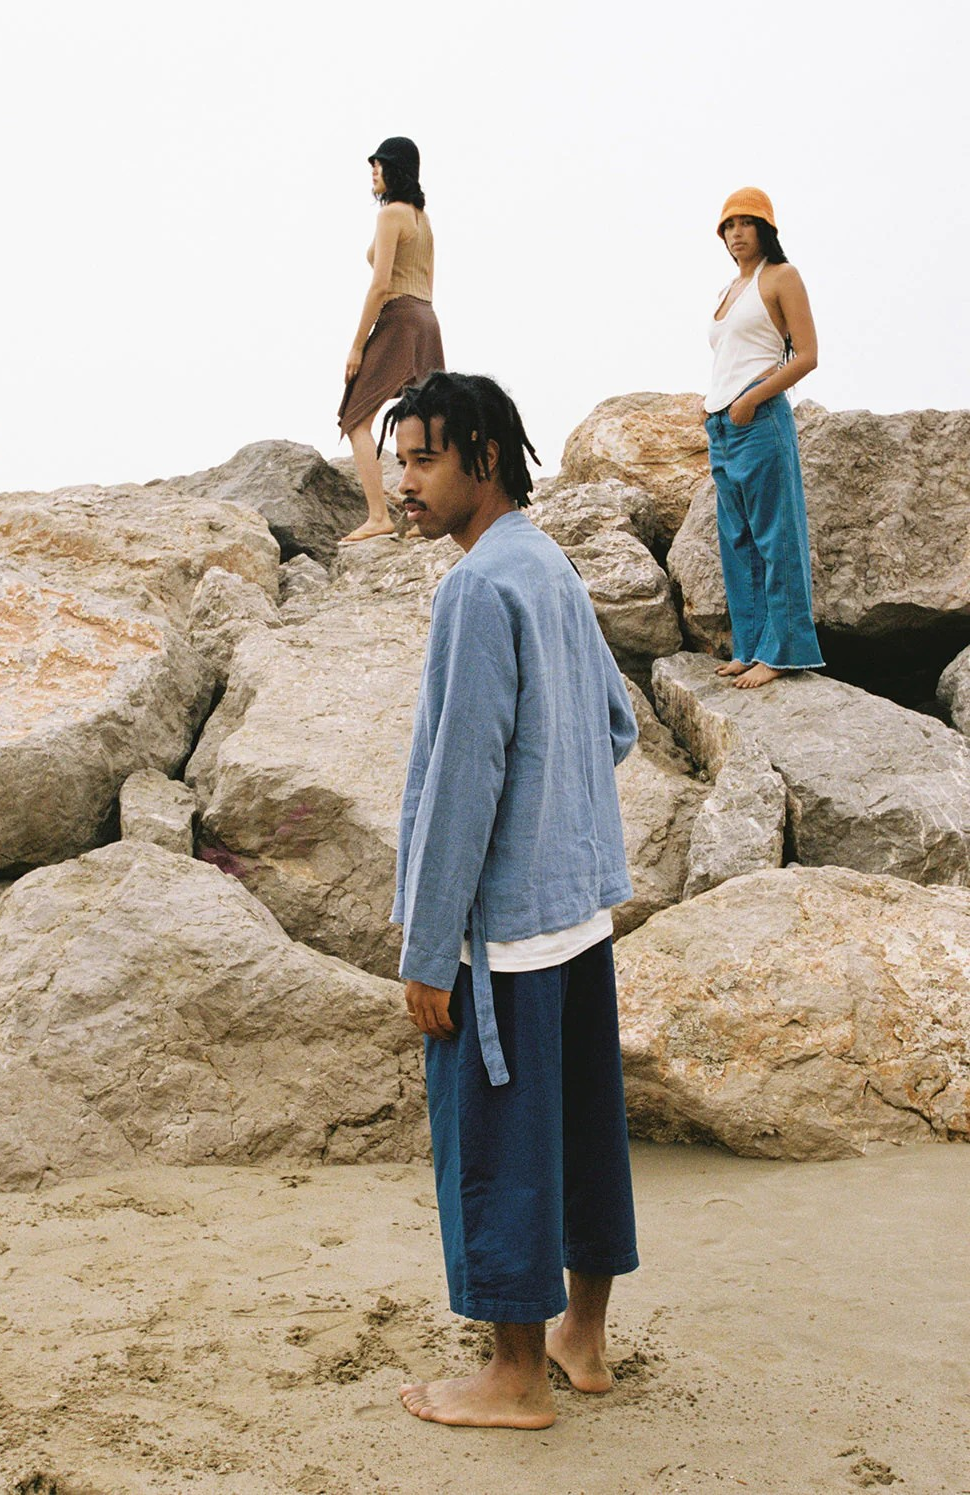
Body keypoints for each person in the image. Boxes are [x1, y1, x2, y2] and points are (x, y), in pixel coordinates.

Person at [383, 371, 639, 1429]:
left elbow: (462, 782)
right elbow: (616, 723)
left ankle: (515, 1377)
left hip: (506, 935)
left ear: (483, 459)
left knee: (498, 1147)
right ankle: (583, 1338)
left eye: (424, 459)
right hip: (578, 908)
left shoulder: (478, 586)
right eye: (399, 460)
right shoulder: (547, 563)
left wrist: (428, 948)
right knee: (582, 1134)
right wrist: (557, 815)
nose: (403, 483)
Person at [704, 187, 825, 688]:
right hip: (721, 424)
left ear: (765, 228)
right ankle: (750, 647)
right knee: (738, 540)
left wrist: (753, 397)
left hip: (759, 418)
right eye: (728, 226)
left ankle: (784, 651)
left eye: (746, 223)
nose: (736, 234)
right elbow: (731, 357)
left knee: (777, 535)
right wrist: (710, 403)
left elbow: (808, 355)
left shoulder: (781, 276)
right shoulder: (728, 289)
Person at [337, 137, 445, 543]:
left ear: (396, 169)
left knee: (356, 418)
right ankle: (429, 517)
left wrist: (358, 345)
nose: (373, 171)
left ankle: (379, 516)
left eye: (379, 164)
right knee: (429, 422)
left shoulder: (390, 215)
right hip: (426, 318)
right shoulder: (422, 218)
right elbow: (429, 280)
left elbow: (380, 285)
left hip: (399, 317)